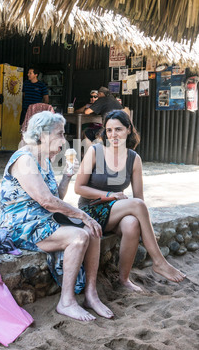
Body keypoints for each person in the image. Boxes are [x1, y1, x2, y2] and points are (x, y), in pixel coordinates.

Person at [0, 110, 113, 322]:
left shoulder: (44, 159)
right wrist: (82, 215)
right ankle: (66, 302)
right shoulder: (25, 159)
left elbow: (56, 196)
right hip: (21, 226)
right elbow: (46, 201)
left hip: (43, 221)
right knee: (79, 236)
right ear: (43, 135)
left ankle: (91, 294)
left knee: (93, 228)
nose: (64, 139)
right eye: (60, 134)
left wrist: (67, 176)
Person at [75, 110, 186, 291]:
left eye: (118, 129)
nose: (113, 135)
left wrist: (145, 227)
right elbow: (78, 188)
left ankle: (124, 279)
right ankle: (158, 261)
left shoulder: (134, 159)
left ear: (128, 130)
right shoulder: (95, 151)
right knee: (137, 205)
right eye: (109, 130)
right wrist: (109, 195)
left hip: (116, 212)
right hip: (91, 211)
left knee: (132, 223)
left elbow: (139, 198)